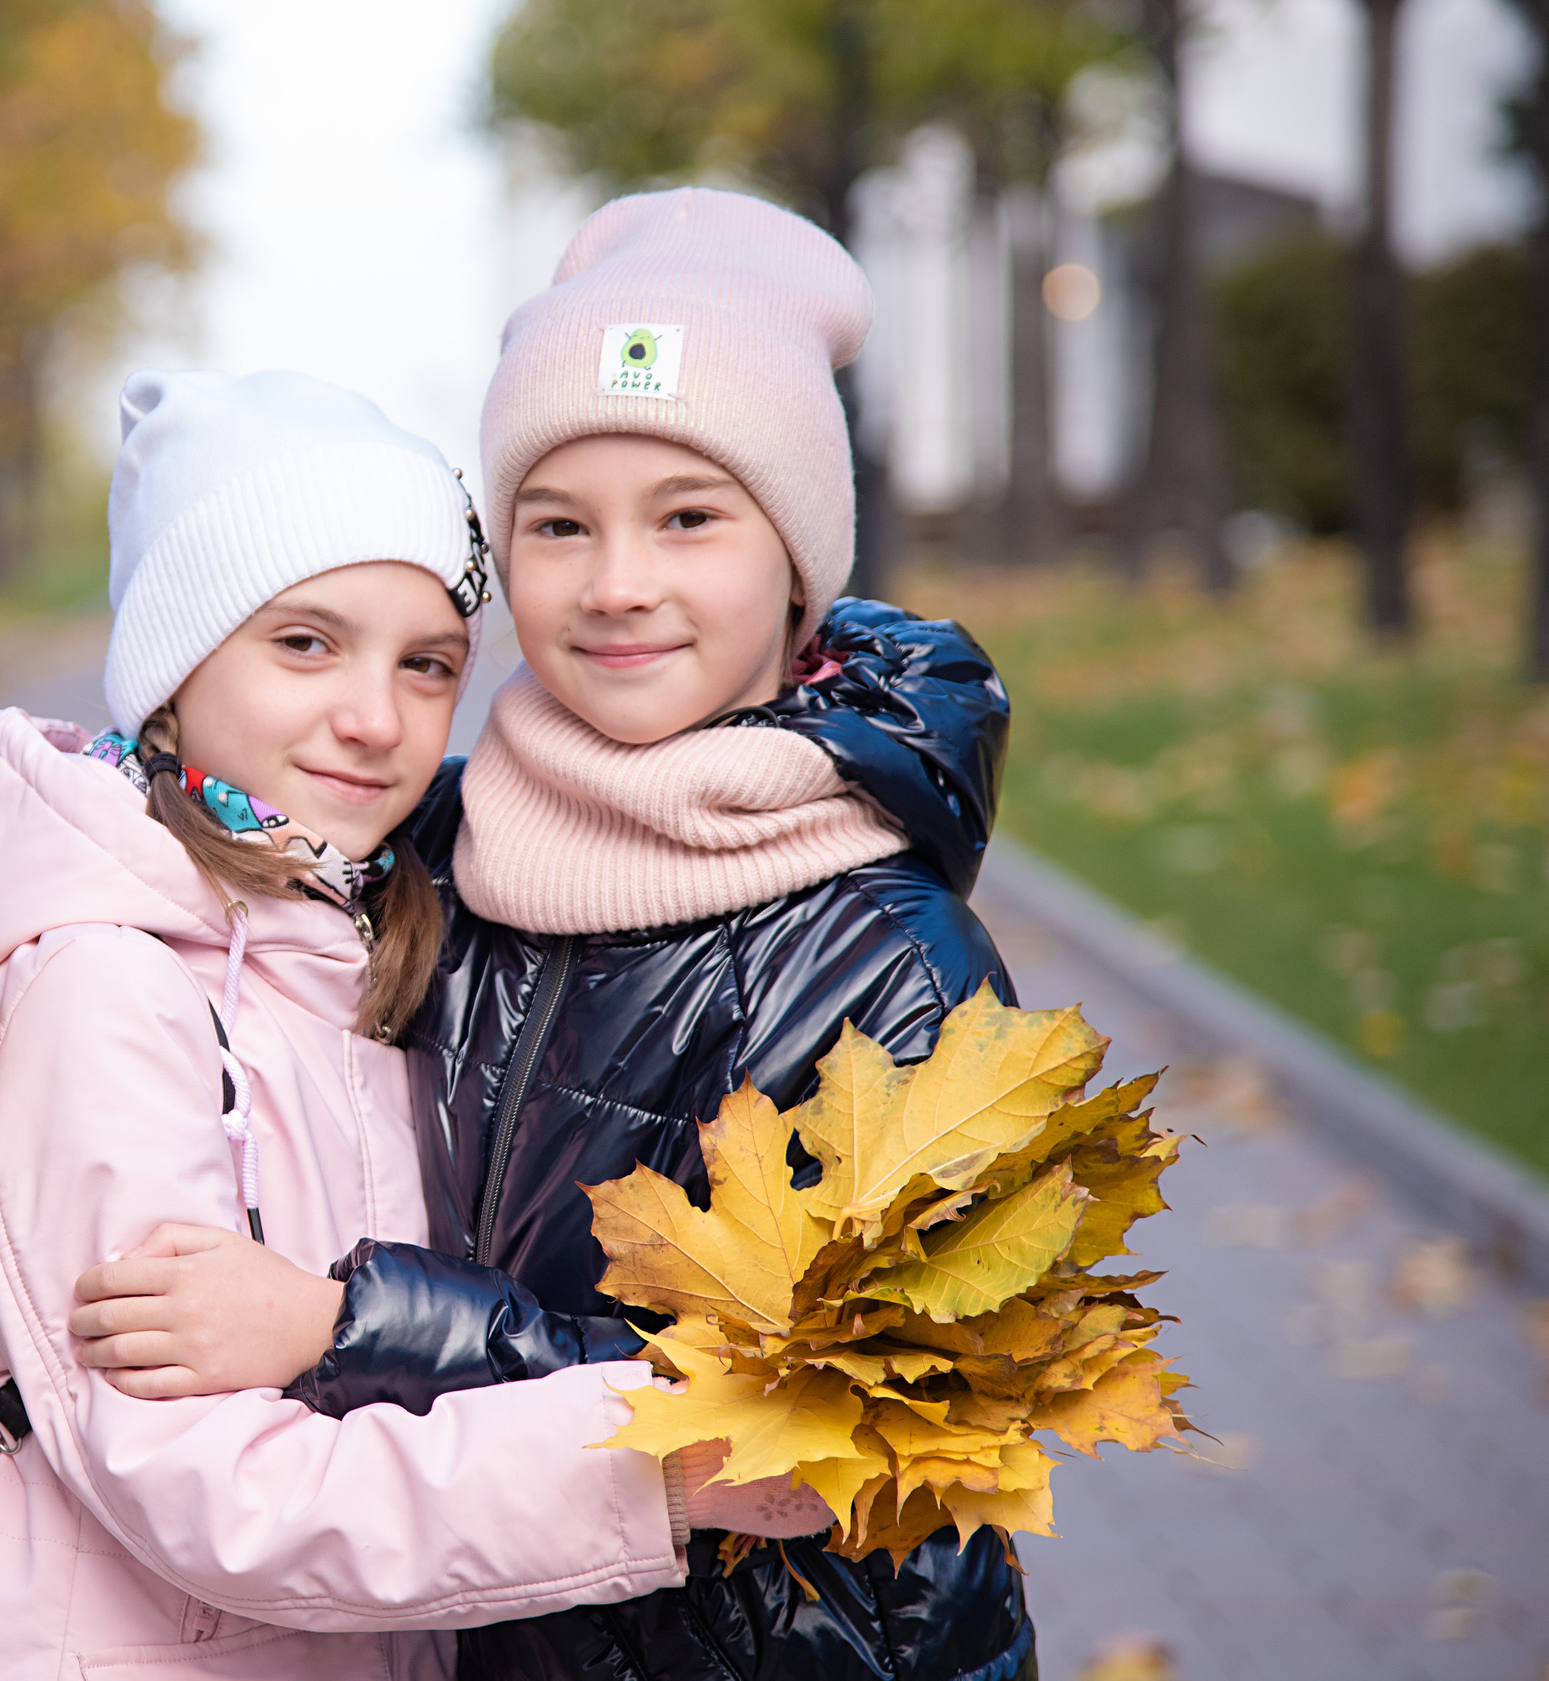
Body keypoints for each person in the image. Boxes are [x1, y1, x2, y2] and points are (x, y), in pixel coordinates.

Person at [70, 190, 1036, 1681]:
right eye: (558, 525)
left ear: (798, 562)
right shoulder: (435, 862)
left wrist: (353, 1323)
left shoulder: (891, 960)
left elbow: (855, 1429)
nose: (617, 584)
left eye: (691, 518)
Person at [0, 368, 825, 1681]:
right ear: (173, 667)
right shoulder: (94, 990)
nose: (376, 719)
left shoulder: (345, 946)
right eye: (306, 644)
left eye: (428, 663)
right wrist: (650, 1462)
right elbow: (212, 1491)